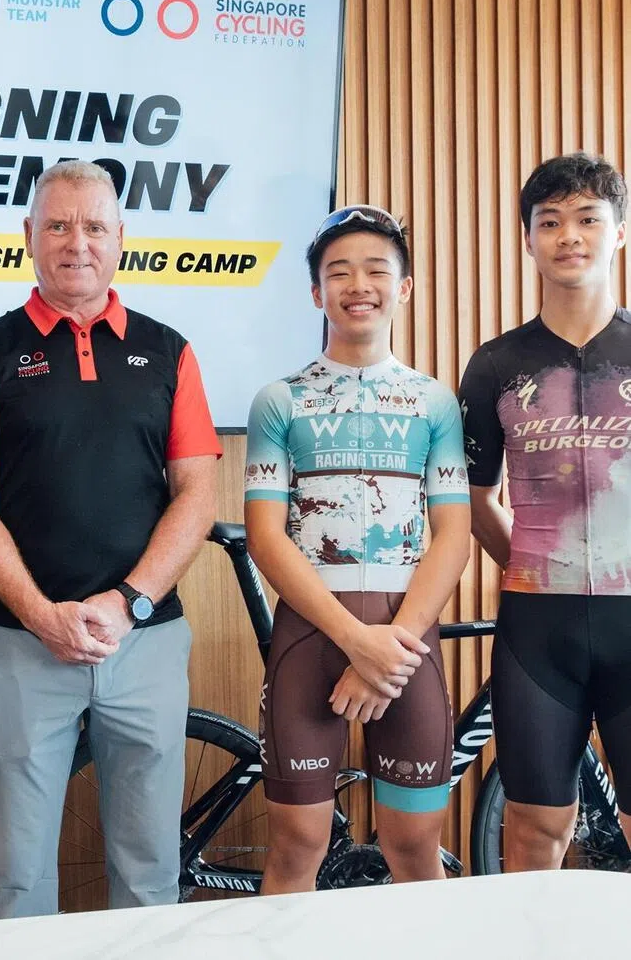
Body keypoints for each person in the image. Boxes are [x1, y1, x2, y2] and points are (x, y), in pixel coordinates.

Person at [0, 159, 219, 918]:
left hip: (146, 639)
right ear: (28, 235)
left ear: (120, 236)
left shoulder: (169, 351)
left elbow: (198, 494)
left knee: (151, 874)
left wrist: (128, 603)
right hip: (21, 644)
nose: (77, 242)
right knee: (14, 878)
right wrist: (42, 615)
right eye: (58, 225)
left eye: (94, 226)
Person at [244, 205, 470, 893]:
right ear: (317, 293)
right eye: (338, 272)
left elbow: (453, 535)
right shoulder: (280, 400)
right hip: (312, 637)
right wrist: (357, 641)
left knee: (415, 848)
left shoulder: (433, 403)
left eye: (377, 270)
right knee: (296, 847)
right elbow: (266, 536)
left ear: (405, 287)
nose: (358, 285)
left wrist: (388, 650)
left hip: (407, 644)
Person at [459, 152, 631, 870]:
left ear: (618, 232)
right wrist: (539, 563)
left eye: (588, 219)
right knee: (533, 825)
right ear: (528, 239)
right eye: (550, 221)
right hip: (538, 628)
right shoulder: (496, 365)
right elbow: (476, 502)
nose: (570, 236)